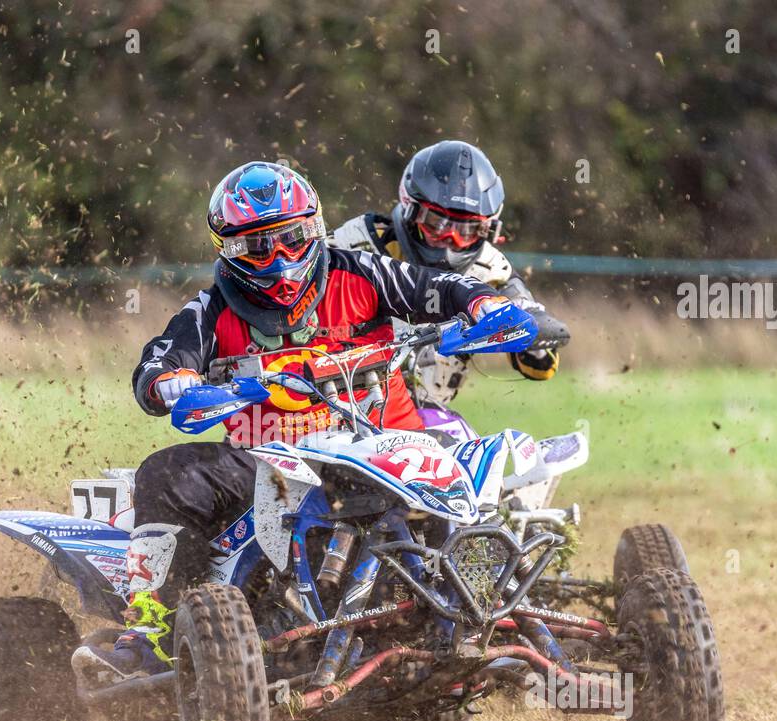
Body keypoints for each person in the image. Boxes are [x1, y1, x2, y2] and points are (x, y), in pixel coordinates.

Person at [71, 160, 529, 684]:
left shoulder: (361, 272)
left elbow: (440, 287)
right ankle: (153, 628)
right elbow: (155, 367)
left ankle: (489, 604)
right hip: (268, 459)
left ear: (314, 227)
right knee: (165, 475)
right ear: (228, 249)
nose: (282, 258)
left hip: (385, 443)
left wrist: (485, 303)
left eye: (292, 238)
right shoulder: (212, 308)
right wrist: (174, 383)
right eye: (258, 246)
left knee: (480, 462)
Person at [331, 140, 568, 410]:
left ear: (488, 228)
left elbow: (542, 368)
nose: (450, 240)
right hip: (342, 408)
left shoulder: (490, 269)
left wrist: (529, 327)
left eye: (466, 230)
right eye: (437, 224)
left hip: (427, 417)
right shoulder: (357, 242)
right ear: (410, 208)